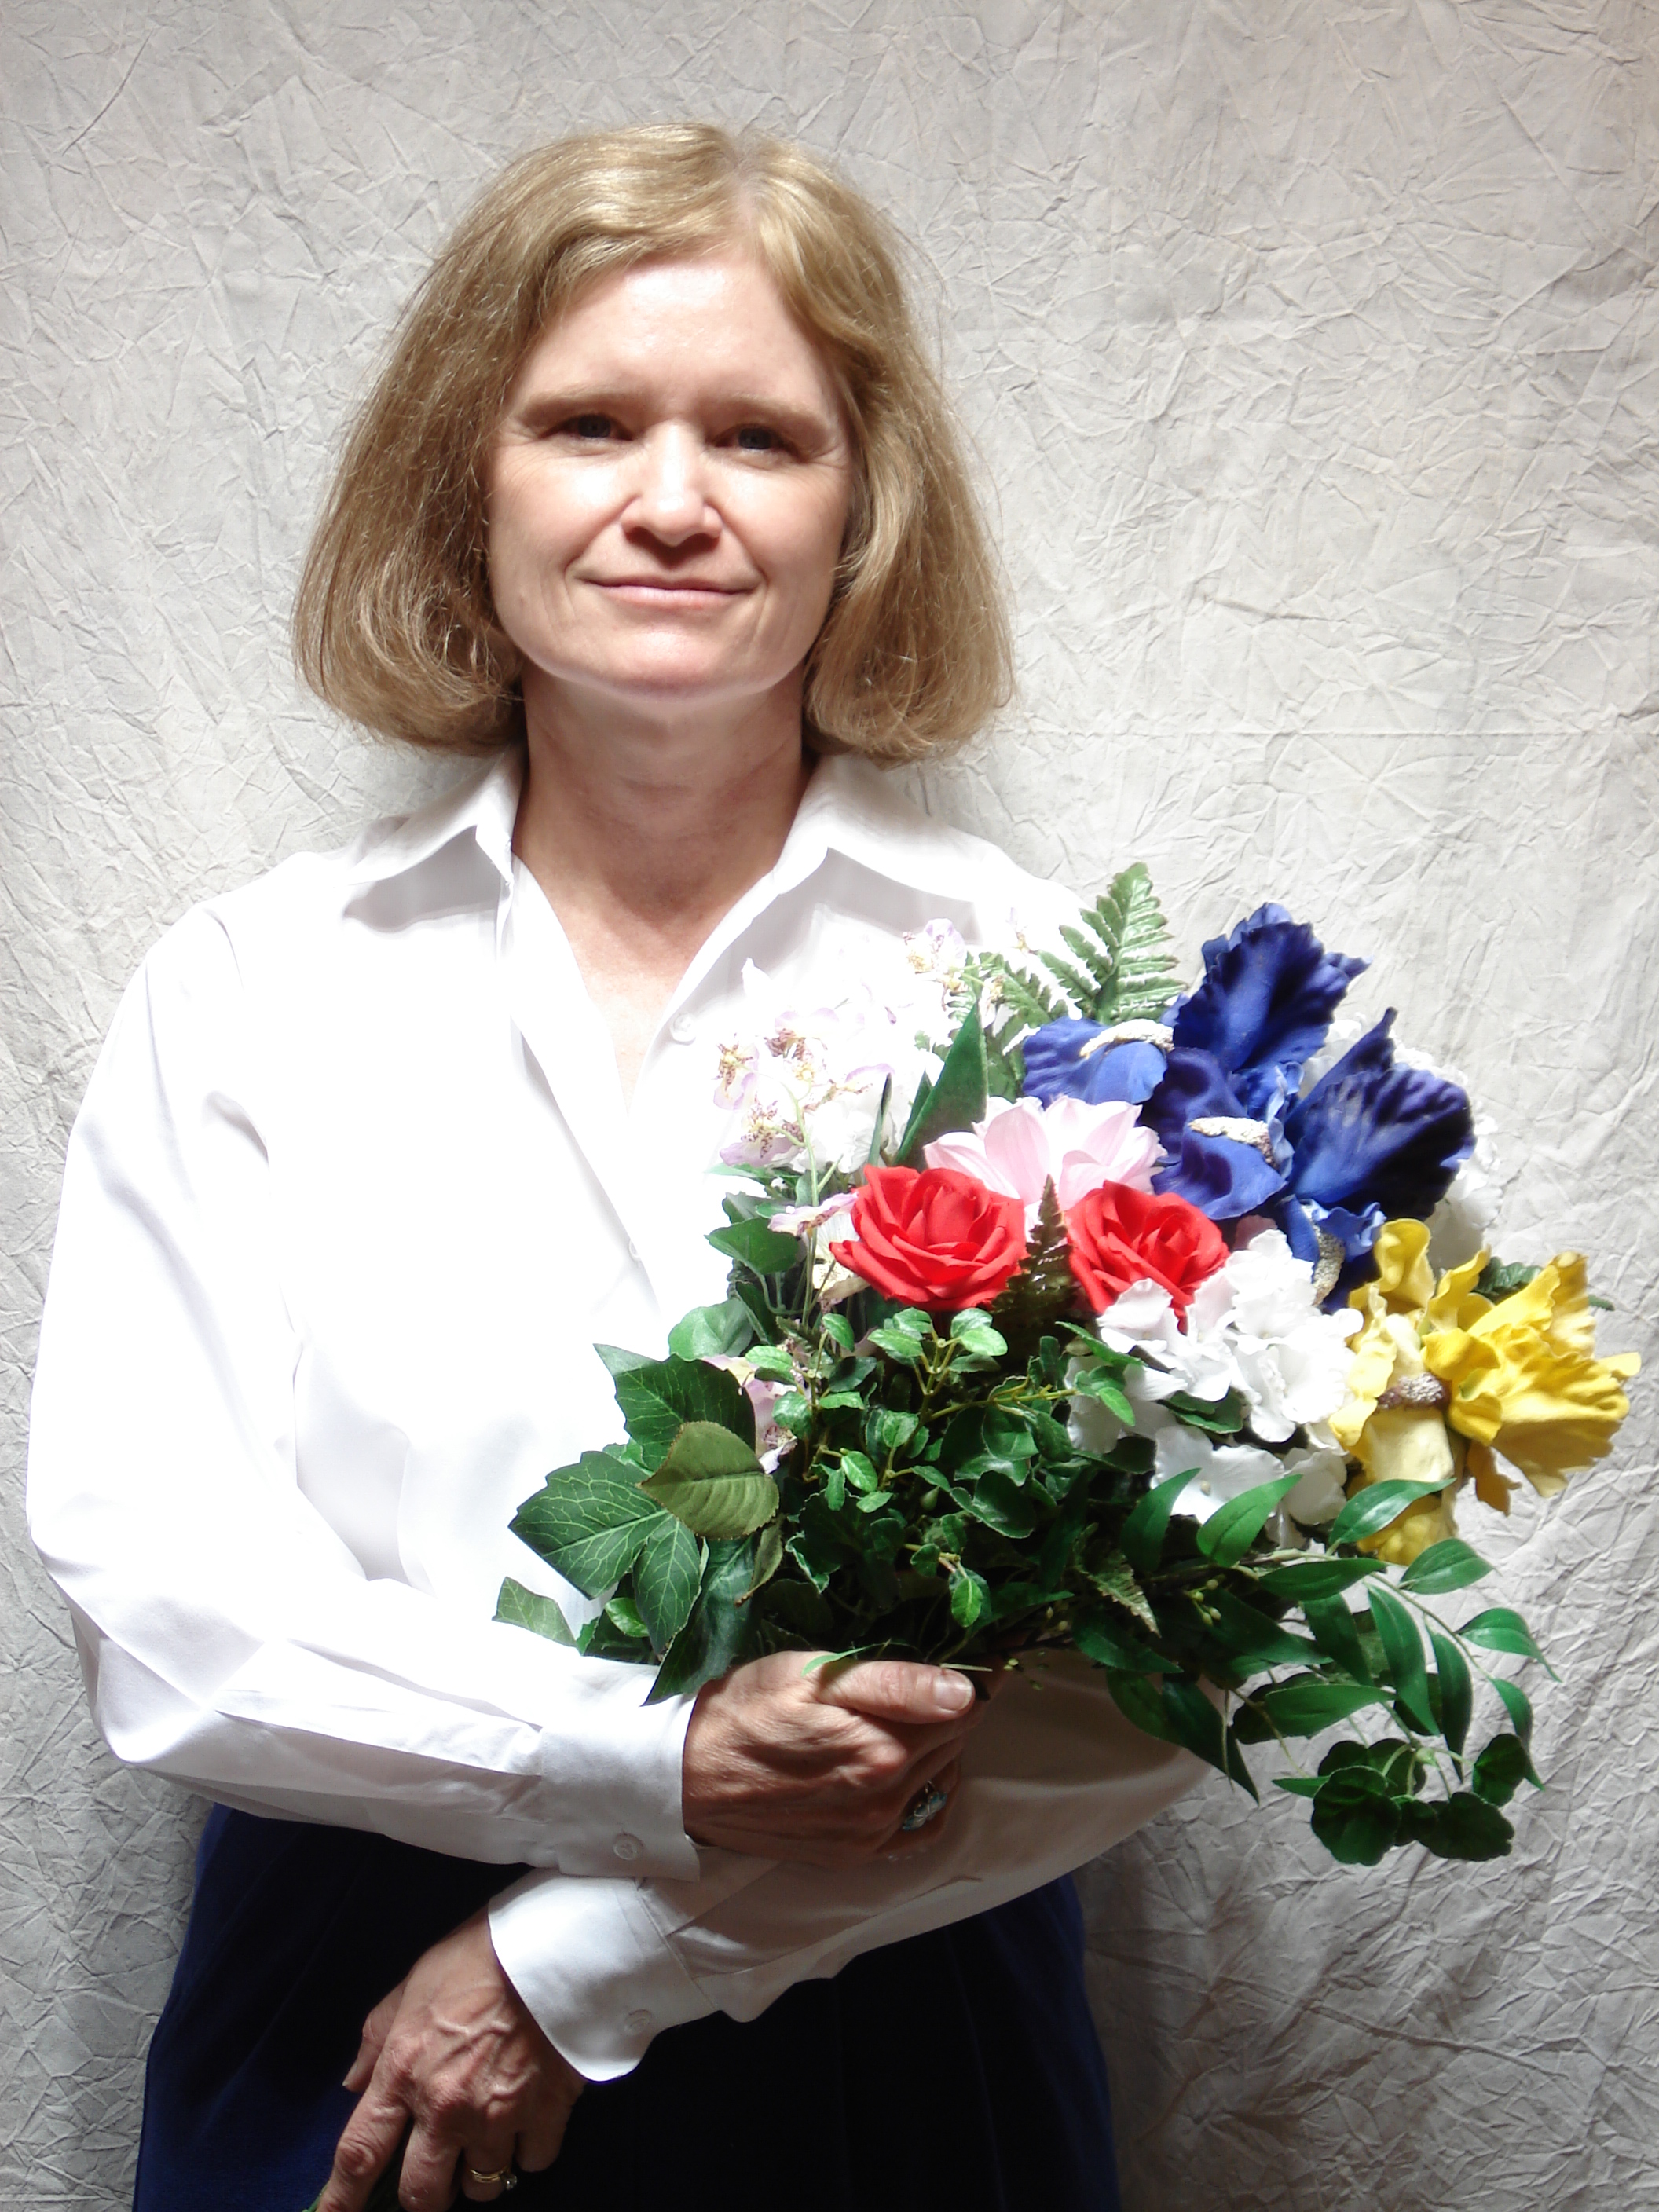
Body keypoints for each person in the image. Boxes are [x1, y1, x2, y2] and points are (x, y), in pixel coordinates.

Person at [27, 124, 1199, 2212]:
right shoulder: (259, 987)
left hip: (892, 1992)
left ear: (863, 509)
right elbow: (164, 1601)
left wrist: (585, 1954)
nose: (671, 502)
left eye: (760, 436)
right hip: (350, 2021)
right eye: (587, 424)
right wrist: (647, 1763)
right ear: (467, 482)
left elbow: (1160, 1647)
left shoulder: (1045, 1002)